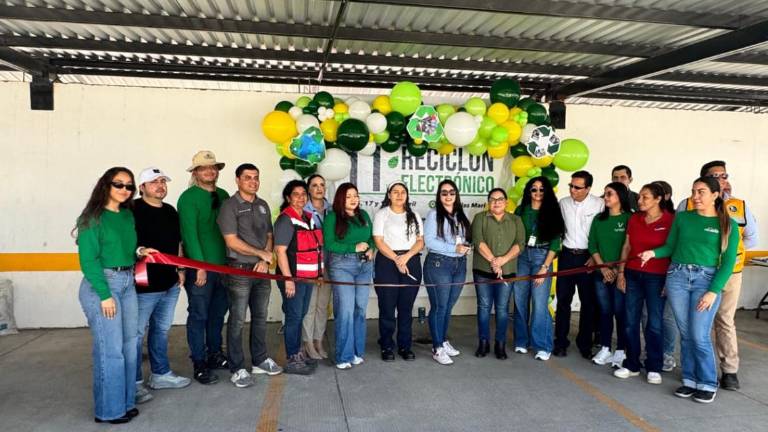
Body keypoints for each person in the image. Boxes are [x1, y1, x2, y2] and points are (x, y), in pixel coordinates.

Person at [640, 176, 739, 404]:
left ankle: (707, 382)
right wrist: (653, 253)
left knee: (699, 335)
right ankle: (690, 379)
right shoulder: (683, 218)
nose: (695, 196)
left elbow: (728, 263)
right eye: (694, 191)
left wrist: (713, 291)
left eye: (701, 192)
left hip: (706, 280)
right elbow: (670, 247)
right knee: (685, 334)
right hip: (677, 277)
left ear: (715, 195)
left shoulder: (727, 224)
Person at [75, 167, 156, 424]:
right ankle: (109, 410)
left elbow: (127, 248)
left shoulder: (126, 216)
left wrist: (140, 250)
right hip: (103, 285)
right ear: (106, 185)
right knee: (110, 351)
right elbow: (89, 260)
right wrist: (104, 295)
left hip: (127, 281)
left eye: (129, 186)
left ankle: (126, 401)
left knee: (130, 346)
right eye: (118, 184)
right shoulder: (91, 218)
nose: (124, 190)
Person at [677, 161, 758, 390]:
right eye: (716, 176)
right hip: (697, 273)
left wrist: (728, 255)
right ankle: (694, 372)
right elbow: (681, 238)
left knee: (724, 321)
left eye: (724, 175)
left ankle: (729, 370)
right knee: (694, 325)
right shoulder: (687, 205)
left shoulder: (739, 206)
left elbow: (751, 238)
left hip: (730, 274)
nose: (722, 180)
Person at [217, 163, 282, 389]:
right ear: (237, 180)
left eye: (256, 177)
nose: (253, 181)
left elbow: (269, 235)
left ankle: (260, 359)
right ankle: (237, 368)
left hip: (262, 271)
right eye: (247, 178)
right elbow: (231, 241)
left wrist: (265, 260)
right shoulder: (229, 206)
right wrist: (260, 254)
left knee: (261, 317)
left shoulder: (263, 205)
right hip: (240, 270)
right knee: (237, 320)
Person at [133, 167, 191, 405]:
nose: (160, 186)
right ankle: (134, 383)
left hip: (169, 284)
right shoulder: (132, 210)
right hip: (143, 284)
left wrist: (180, 269)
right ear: (142, 187)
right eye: (154, 182)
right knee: (135, 335)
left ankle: (160, 374)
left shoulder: (170, 211)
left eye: (163, 182)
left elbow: (177, 242)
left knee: (161, 330)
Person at [613, 183, 674, 385]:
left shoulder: (670, 221)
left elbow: (673, 251)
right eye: (639, 197)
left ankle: (654, 366)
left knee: (654, 323)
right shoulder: (634, 218)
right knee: (630, 321)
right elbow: (626, 246)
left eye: (645, 197)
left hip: (657, 278)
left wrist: (669, 280)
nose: (640, 201)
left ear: (658, 199)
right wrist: (621, 272)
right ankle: (632, 364)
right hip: (632, 275)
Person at [177, 150, 230, 385]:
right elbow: (189, 235)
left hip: (225, 268)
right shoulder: (188, 198)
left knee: (218, 314)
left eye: (213, 167)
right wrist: (199, 266)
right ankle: (199, 361)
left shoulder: (224, 195)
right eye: (204, 168)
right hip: (200, 269)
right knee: (199, 315)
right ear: (196, 172)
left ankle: (215, 354)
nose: (210, 171)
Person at [274, 180, 323, 375]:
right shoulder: (286, 219)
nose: (301, 197)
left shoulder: (309, 218)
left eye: (304, 193)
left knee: (300, 314)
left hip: (307, 278)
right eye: (296, 194)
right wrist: (288, 279)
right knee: (294, 317)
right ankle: (293, 357)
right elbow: (280, 251)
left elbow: (315, 249)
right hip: (293, 279)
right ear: (288, 198)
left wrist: (318, 274)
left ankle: (298, 354)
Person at [323, 183, 374, 370]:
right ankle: (343, 356)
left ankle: (356, 352)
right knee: (345, 310)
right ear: (340, 199)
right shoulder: (332, 217)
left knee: (360, 308)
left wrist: (372, 249)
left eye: (356, 196)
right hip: (342, 265)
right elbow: (329, 244)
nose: (353, 199)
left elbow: (370, 238)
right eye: (348, 196)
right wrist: (352, 248)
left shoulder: (364, 215)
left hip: (364, 266)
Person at [513, 177, 563, 361]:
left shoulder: (552, 211)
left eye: (541, 190)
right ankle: (521, 341)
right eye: (534, 189)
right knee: (519, 300)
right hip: (522, 256)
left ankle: (542, 345)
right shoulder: (521, 210)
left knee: (540, 303)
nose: (538, 193)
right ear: (528, 192)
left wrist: (544, 267)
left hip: (542, 257)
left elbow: (555, 244)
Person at [372, 181, 424, 362]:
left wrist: (406, 257)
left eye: (403, 192)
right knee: (387, 307)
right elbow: (378, 240)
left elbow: (420, 242)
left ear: (407, 195)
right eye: (395, 192)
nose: (399, 195)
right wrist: (396, 259)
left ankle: (405, 345)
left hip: (411, 261)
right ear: (389, 195)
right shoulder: (382, 214)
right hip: (387, 263)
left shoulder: (414, 215)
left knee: (406, 308)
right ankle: (386, 345)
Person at [554, 171, 604, 358]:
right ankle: (560, 342)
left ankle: (585, 344)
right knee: (563, 301)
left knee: (588, 303)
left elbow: (601, 234)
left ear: (588, 189)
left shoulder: (599, 205)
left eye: (577, 187)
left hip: (588, 258)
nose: (572, 190)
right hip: (567, 256)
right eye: (571, 186)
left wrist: (595, 256)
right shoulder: (564, 203)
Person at [471, 188, 525, 360]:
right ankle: (483, 342)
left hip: (507, 271)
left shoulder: (516, 220)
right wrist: (494, 260)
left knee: (502, 310)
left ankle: (500, 344)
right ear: (489, 202)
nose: (496, 202)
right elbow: (478, 241)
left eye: (500, 199)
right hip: (483, 271)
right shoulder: (480, 218)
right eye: (492, 199)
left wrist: (502, 261)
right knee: (484, 308)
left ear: (506, 202)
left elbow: (520, 244)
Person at [423, 180, 472, 365]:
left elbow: (465, 238)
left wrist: (466, 247)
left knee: (448, 306)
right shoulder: (434, 214)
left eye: (451, 192)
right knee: (440, 307)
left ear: (456, 194)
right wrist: (454, 249)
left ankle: (442, 340)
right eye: (444, 193)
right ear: (439, 196)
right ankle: (437, 348)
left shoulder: (461, 214)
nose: (448, 196)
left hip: (459, 265)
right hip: (439, 264)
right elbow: (429, 241)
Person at [588, 182, 632, 368]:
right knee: (605, 312)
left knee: (620, 312)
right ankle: (605, 347)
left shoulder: (630, 218)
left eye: (609, 194)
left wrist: (616, 270)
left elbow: (630, 247)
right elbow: (592, 245)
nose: (605, 197)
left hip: (622, 273)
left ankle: (621, 351)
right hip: (601, 273)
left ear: (620, 197)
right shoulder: (599, 219)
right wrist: (603, 268)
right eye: (605, 194)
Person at [302, 174, 333, 360]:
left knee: (323, 306)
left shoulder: (332, 209)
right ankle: (307, 343)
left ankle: (318, 340)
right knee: (310, 306)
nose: (319, 188)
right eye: (314, 185)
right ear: (309, 189)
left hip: (329, 263)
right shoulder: (303, 210)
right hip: (310, 265)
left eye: (322, 185)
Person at [652, 180, 679, 373]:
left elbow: (673, 249)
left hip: (669, 274)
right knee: (649, 315)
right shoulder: (642, 218)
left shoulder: (674, 219)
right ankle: (652, 351)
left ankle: (667, 353)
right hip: (648, 274)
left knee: (667, 317)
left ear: (665, 197)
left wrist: (669, 278)